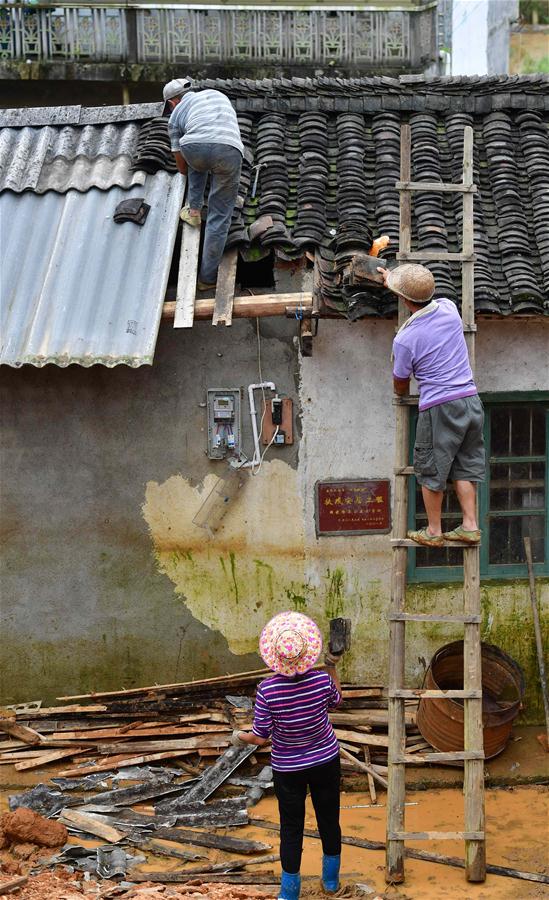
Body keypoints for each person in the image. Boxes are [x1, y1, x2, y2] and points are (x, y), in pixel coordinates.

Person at [233, 611, 345, 900]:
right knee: (329, 820)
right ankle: (331, 882)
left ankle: (289, 892)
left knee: (291, 828)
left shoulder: (268, 690)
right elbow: (337, 700)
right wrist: (332, 667)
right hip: (325, 761)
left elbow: (260, 736)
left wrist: (238, 736)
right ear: (307, 651)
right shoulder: (321, 681)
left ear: (274, 656)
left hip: (289, 768)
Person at [378, 263, 485, 547]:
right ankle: (470, 526)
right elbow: (422, 299)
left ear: (404, 300)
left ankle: (434, 531)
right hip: (471, 402)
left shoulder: (405, 339)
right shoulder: (449, 309)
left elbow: (400, 381)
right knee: (465, 465)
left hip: (440, 407)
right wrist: (392, 280)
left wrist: (400, 391)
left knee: (429, 468)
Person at [163, 77, 244, 290]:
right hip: (230, 149)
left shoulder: (175, 117)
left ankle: (194, 211)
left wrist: (195, 160)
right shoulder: (218, 96)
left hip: (195, 147)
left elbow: (182, 167)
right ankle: (207, 279)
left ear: (172, 103)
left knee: (194, 162)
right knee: (220, 217)